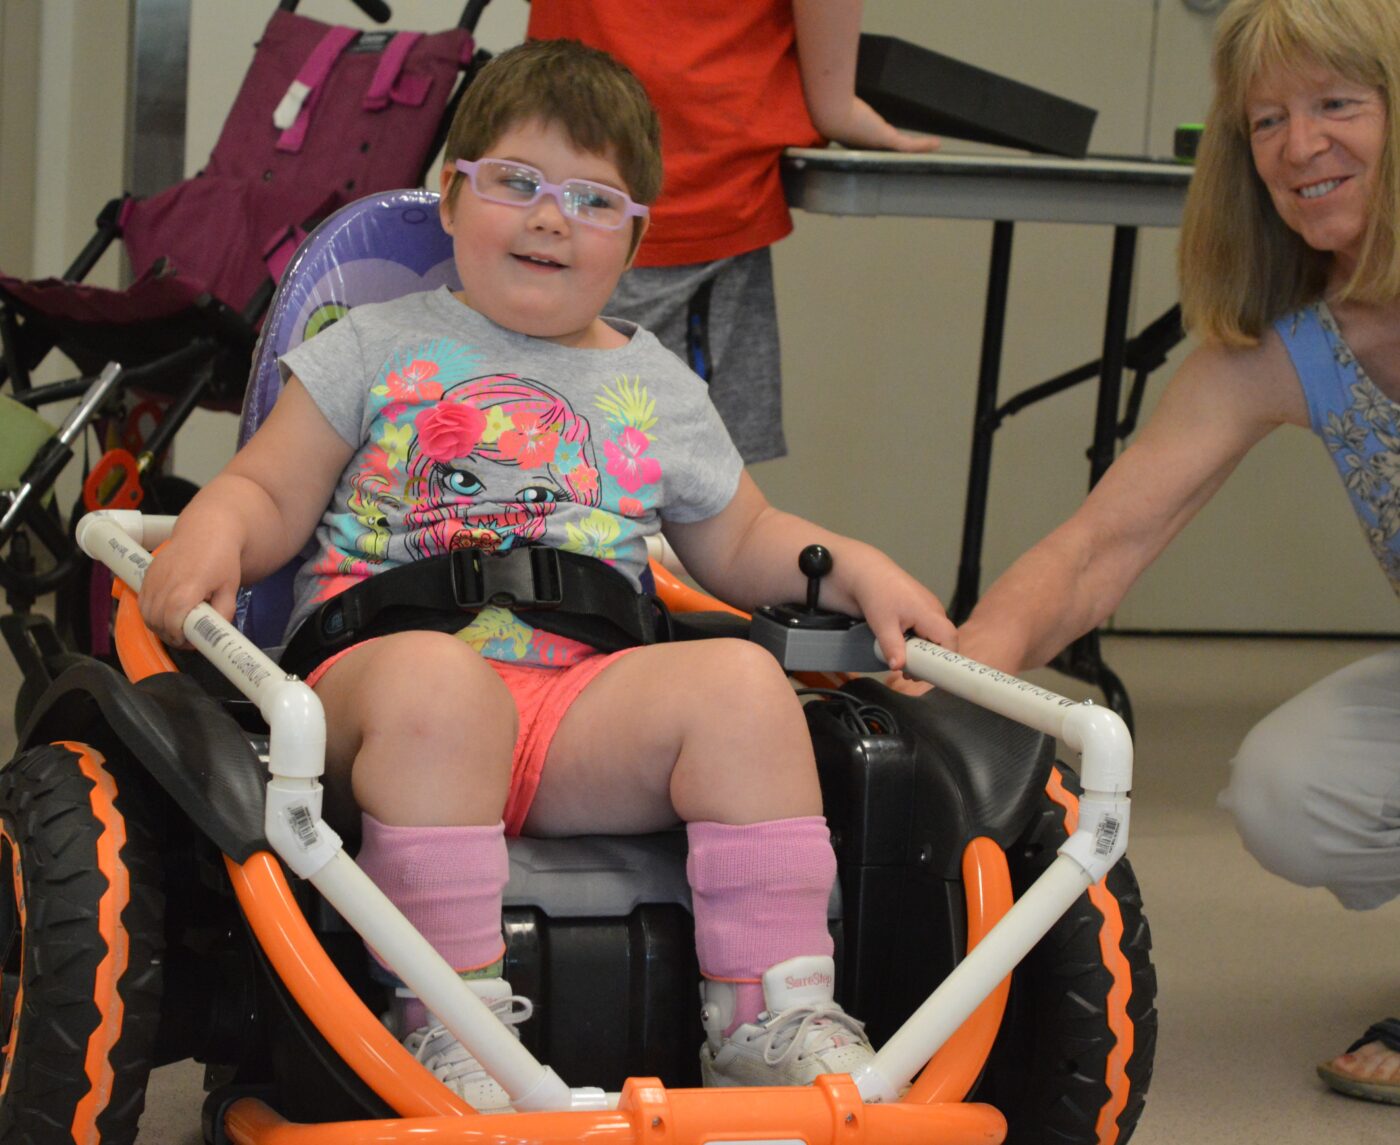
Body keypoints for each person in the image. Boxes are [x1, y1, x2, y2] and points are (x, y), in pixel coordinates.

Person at [139, 39, 955, 1110]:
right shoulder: (373, 343)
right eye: (514, 183)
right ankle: (455, 1019)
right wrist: (212, 528)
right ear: (448, 196)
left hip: (578, 707)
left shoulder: (652, 383)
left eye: (590, 199)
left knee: (742, 690)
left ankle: (767, 1009)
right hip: (384, 693)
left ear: (634, 239)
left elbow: (741, 537)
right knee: (442, 690)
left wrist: (855, 566)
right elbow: (269, 493)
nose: (547, 217)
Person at [955, 0, 1400, 1107]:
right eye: (1264, 121)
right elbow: (1094, 548)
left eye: (1337, 104)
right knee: (1290, 790)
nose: (1299, 148)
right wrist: (945, 708)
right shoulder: (1294, 346)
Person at [525, 0, 939, 465]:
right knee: (665, 484)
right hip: (686, 157)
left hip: (555, 140)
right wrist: (835, 105)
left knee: (542, 458)